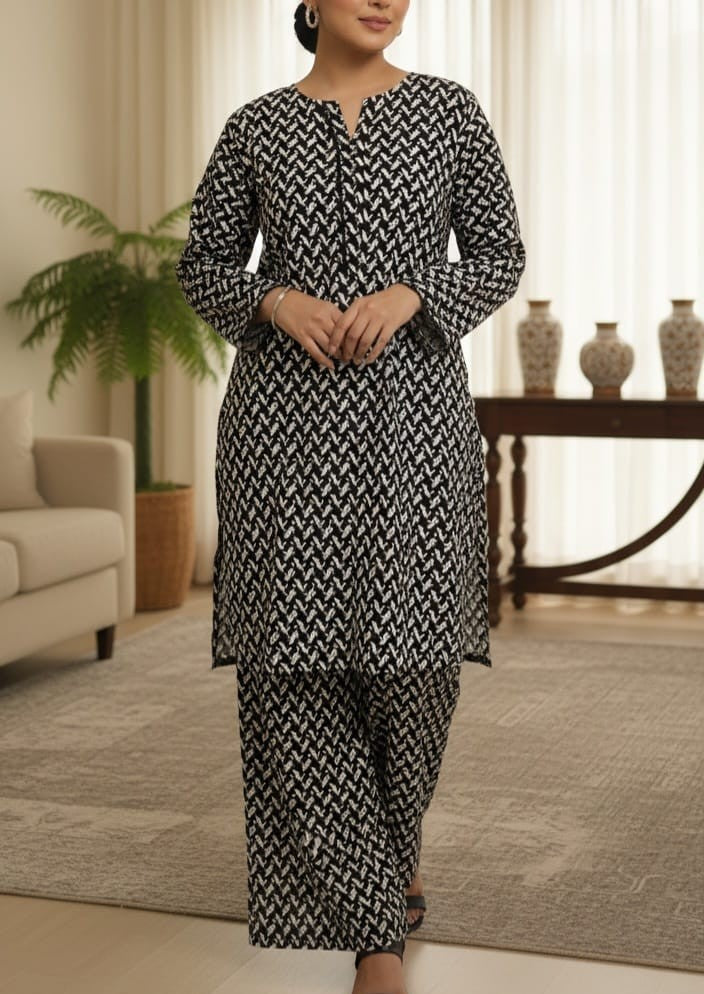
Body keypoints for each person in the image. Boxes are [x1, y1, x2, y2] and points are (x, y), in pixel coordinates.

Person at [175, 1, 526, 992]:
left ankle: (389, 854)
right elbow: (202, 266)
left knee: (416, 662)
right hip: (282, 435)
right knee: (291, 666)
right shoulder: (255, 126)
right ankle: (378, 932)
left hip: (416, 428)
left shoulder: (450, 112)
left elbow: (499, 255)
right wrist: (274, 298)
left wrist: (414, 294)